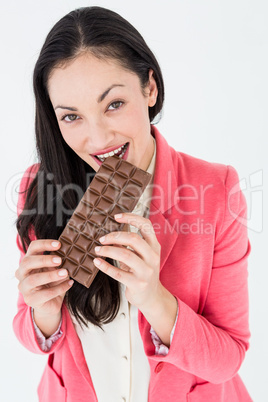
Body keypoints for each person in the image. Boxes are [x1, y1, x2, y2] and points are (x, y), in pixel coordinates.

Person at [13, 6, 252, 402]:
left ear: (150, 89)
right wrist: (44, 312)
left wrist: (154, 299)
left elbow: (229, 358)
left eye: (114, 104)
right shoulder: (39, 187)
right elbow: (30, 332)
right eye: (72, 116)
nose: (97, 138)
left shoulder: (215, 190)